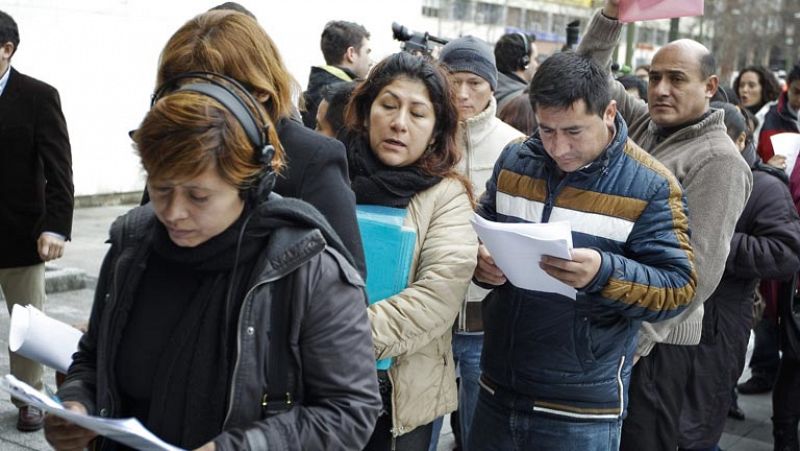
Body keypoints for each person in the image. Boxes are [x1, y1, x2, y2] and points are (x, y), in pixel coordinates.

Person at [45, 74, 381, 451]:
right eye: (160, 188)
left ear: (249, 181)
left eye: (198, 196)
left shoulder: (308, 270)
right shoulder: (133, 244)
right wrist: (77, 403)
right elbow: (93, 356)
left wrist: (240, 447)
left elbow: (350, 410)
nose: (174, 213)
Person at [468, 50, 697, 451]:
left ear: (609, 112)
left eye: (574, 131)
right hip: (497, 384)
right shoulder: (516, 159)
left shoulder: (651, 185)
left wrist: (604, 274)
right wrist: (479, 261)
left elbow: (678, 288)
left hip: (581, 407)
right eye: (546, 130)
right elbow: (482, 226)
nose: (558, 147)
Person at [578, 1, 753, 449]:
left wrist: (637, 343)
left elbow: (700, 271)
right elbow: (586, 78)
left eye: (677, 79)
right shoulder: (645, 127)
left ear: (710, 86)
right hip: (614, 324)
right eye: (655, 77)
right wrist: (612, 17)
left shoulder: (718, 160)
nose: (661, 89)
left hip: (656, 348)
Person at [152, 10, 366, 275]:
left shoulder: (312, 158)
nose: (196, 111)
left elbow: (347, 281)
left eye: (213, 98)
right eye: (183, 95)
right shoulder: (170, 148)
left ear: (260, 91)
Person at [341, 51, 479, 451]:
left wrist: (337, 336)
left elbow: (436, 297)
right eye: (389, 105)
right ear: (367, 113)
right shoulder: (329, 174)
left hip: (399, 398)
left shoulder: (447, 196)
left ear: (436, 131)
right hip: (320, 387)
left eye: (418, 114)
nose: (399, 123)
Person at [677, 102, 800, 451]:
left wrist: (715, 239)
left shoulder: (764, 187)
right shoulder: (689, 170)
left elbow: (786, 253)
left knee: (696, 428)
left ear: (741, 138)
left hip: (720, 321)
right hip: (675, 315)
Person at [437, 35, 524, 449]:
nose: (464, 93)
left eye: (475, 81)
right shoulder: (423, 136)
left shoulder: (515, 145)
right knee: (419, 431)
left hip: (483, 321)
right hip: (427, 319)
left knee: (478, 435)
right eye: (454, 80)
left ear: (493, 85)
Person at [0, 9, 73, 432]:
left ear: (6, 49)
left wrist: (56, 225)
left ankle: (29, 397)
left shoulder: (39, 96)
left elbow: (58, 167)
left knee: (26, 323)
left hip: (19, 232)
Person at [302, 20, 371, 129]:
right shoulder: (343, 99)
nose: (370, 61)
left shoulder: (314, 90)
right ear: (351, 53)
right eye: (367, 52)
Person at [757, 63, 800, 187]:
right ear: (788, 86)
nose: (799, 99)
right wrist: (767, 168)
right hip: (773, 190)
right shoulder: (766, 115)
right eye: (796, 92)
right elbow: (751, 157)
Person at [733, 65, 781, 144]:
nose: (744, 90)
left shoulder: (776, 118)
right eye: (741, 85)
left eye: (751, 86)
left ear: (764, 88)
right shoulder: (734, 114)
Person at [493, 32, 537, 113]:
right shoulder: (524, 102)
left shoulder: (487, 89)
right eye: (535, 59)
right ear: (525, 62)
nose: (536, 64)